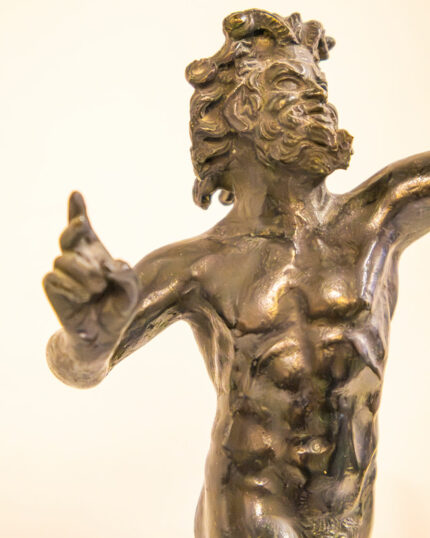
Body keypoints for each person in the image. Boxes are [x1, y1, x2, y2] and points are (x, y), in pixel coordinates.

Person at [43, 9, 430, 538]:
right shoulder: (200, 265)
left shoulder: (379, 218)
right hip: (251, 503)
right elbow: (78, 369)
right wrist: (87, 335)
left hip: (350, 510)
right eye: (294, 83)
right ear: (244, 110)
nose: (320, 99)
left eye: (320, 85)